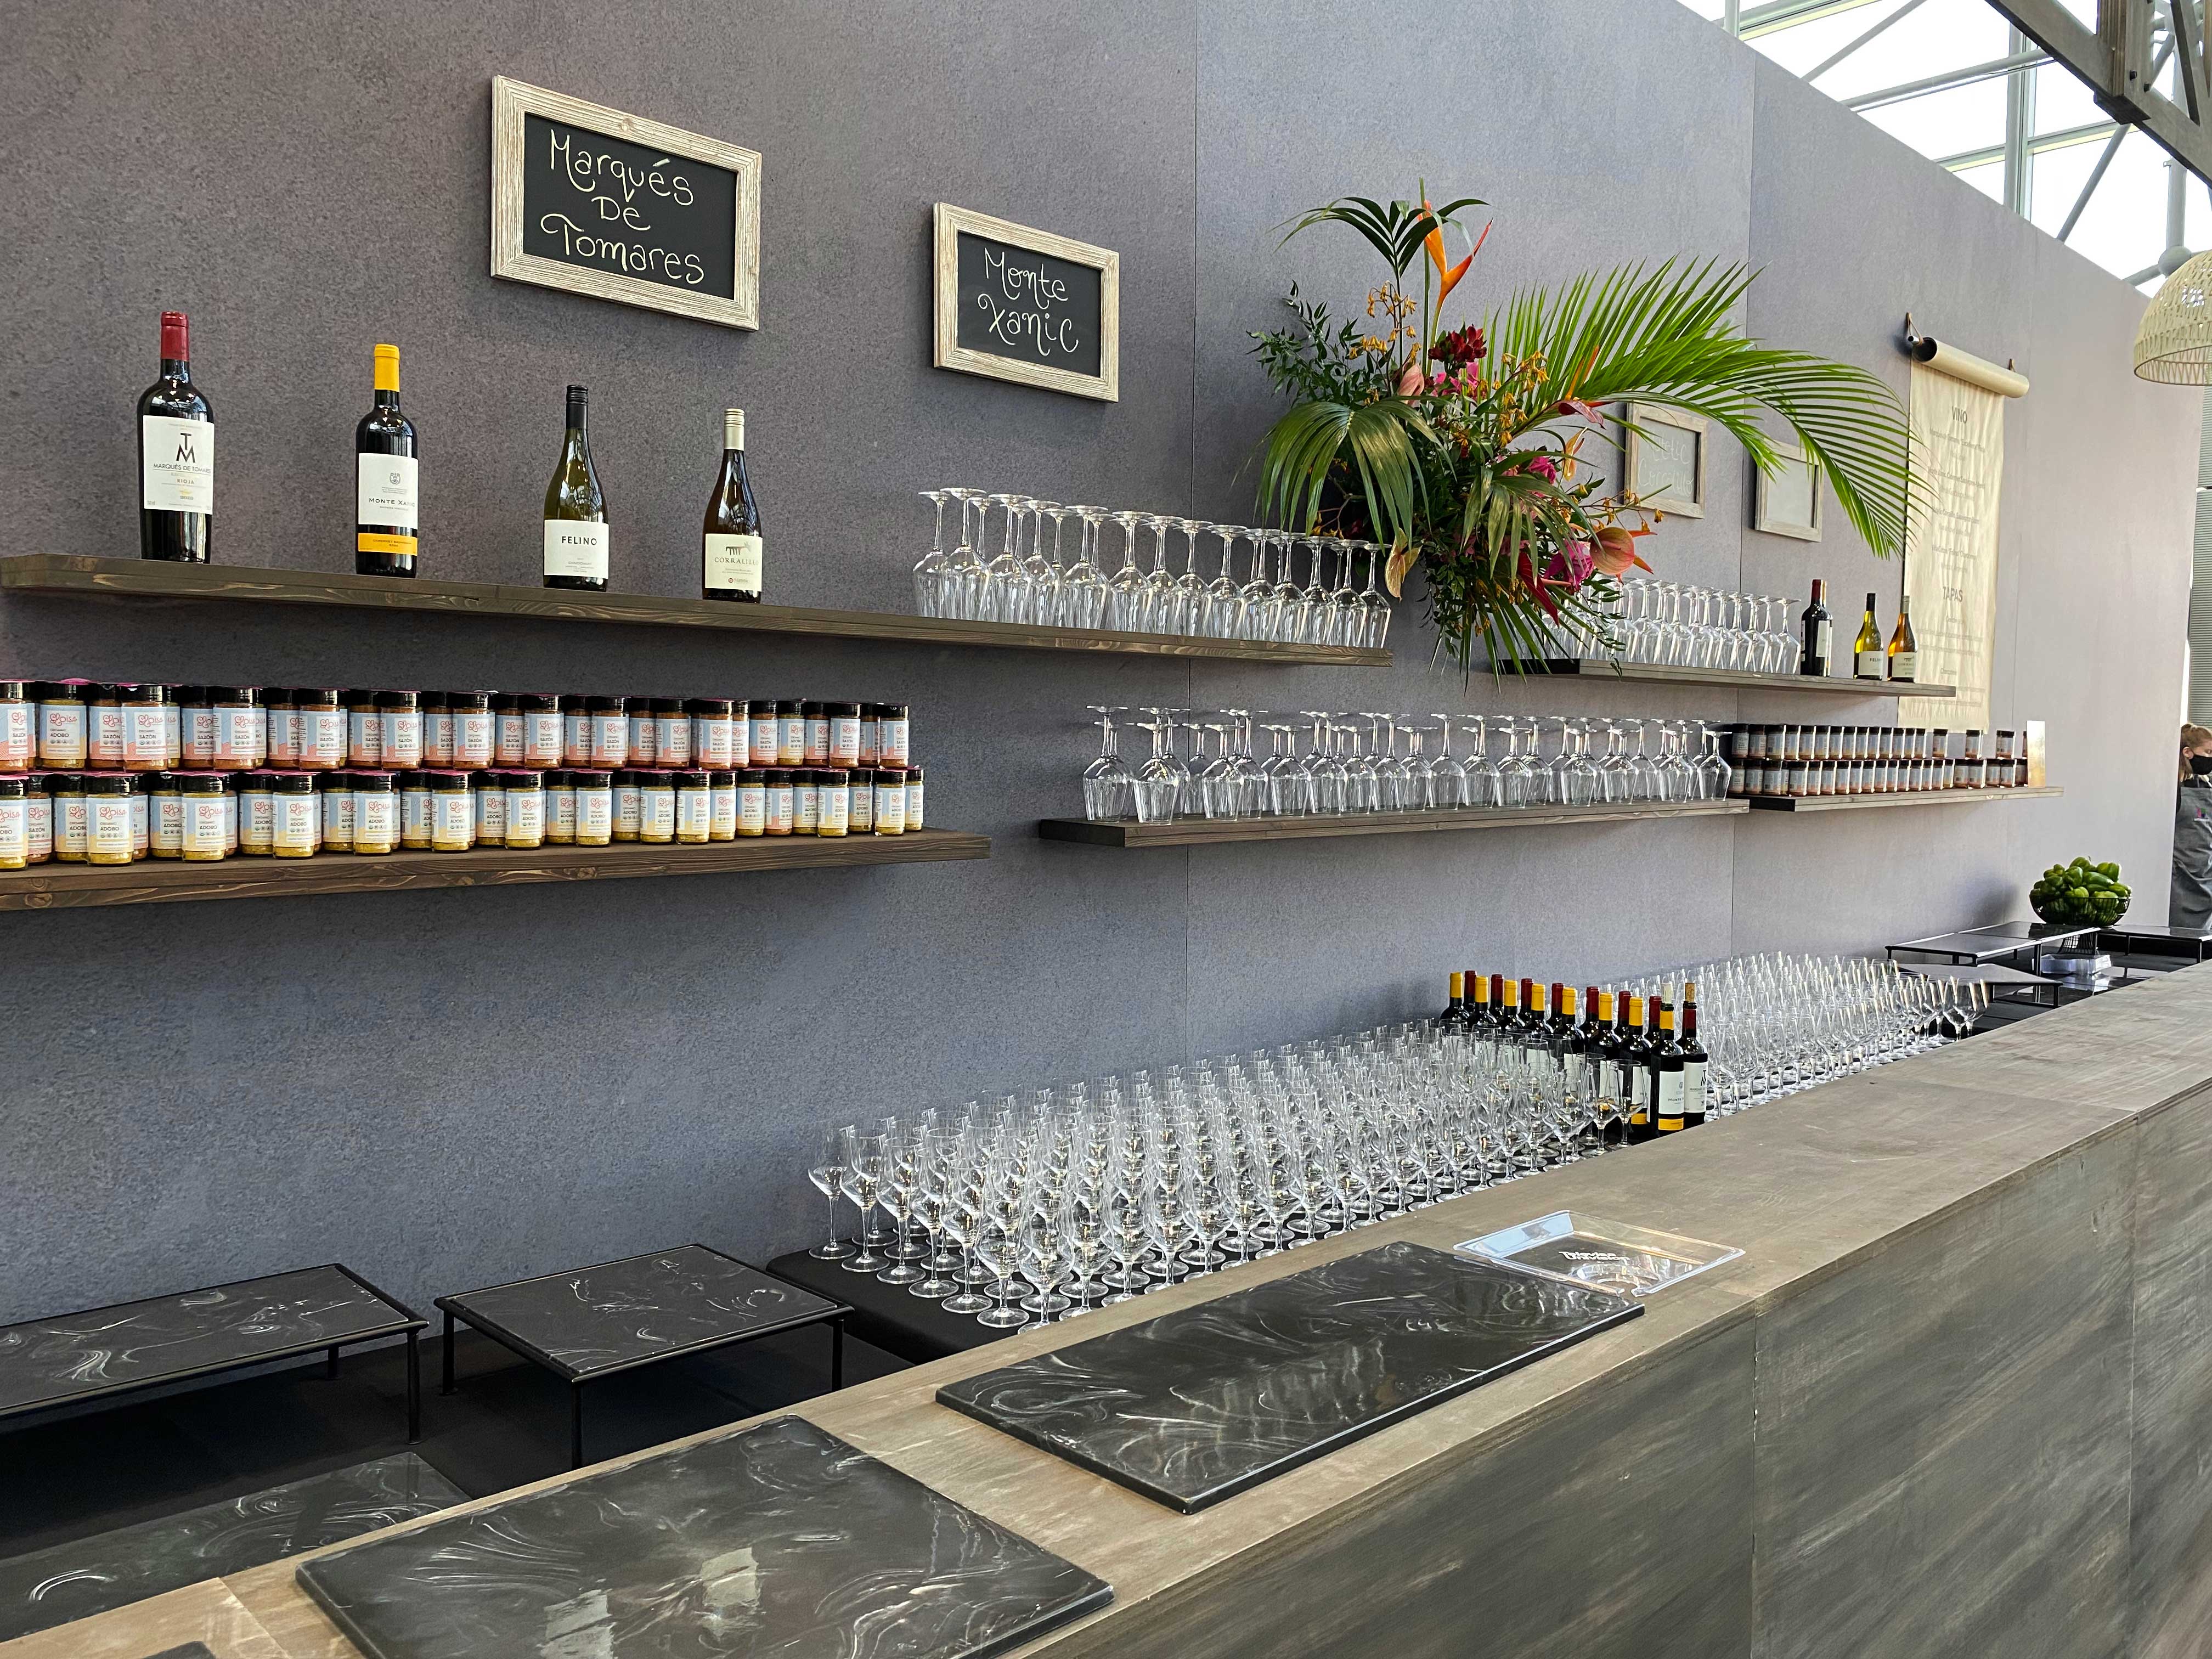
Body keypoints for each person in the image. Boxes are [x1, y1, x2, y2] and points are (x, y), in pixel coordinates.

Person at [2173, 724, 2212, 930]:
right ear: (2187, 753)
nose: (2210, 758)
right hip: (2181, 879)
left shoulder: (2205, 786)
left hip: (2205, 874)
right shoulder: (2171, 788)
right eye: (2208, 752)